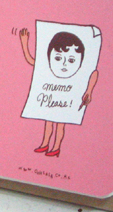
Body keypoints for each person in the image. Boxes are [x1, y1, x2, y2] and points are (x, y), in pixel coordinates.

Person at [19, 28, 98, 157]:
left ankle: (56, 147)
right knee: (48, 122)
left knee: (60, 125)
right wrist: (24, 42)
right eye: (58, 58)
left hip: (66, 100)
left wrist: (89, 91)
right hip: (51, 98)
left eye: (71, 60)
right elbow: (31, 60)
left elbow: (94, 72)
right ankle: (45, 144)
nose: (64, 64)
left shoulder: (82, 69)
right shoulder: (47, 65)